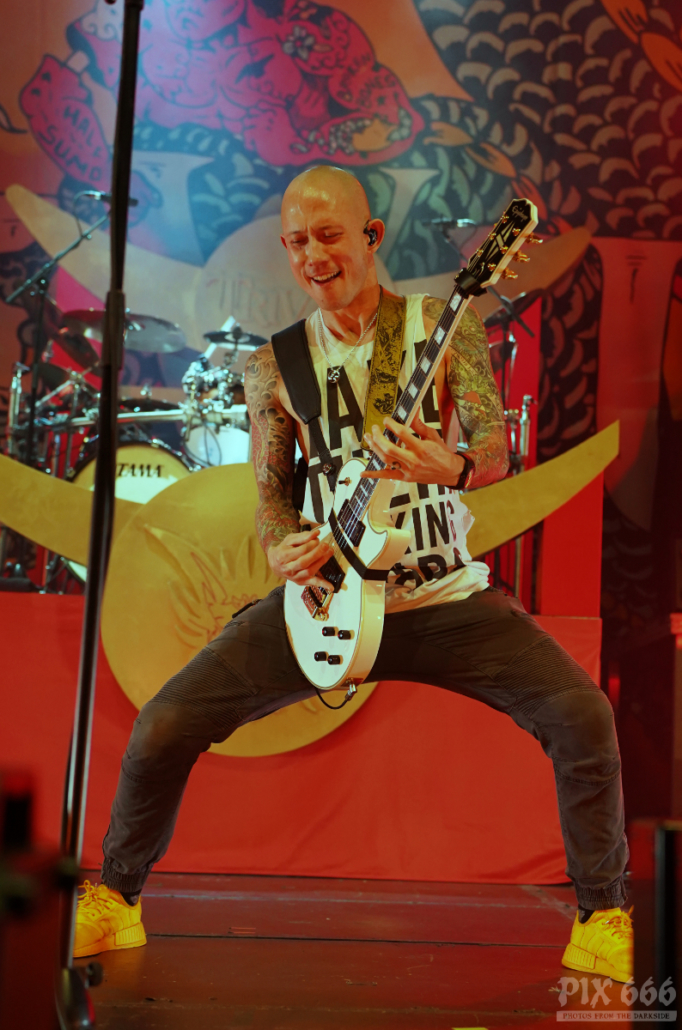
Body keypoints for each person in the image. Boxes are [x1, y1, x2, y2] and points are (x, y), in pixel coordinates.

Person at [74, 165, 633, 983]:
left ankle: (602, 916)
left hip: (440, 596)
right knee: (164, 723)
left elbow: (492, 447)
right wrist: (281, 547)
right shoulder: (272, 365)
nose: (314, 256)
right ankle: (116, 899)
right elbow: (272, 496)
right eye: (297, 242)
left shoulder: (439, 324)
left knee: (581, 714)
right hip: (326, 596)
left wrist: (451, 466)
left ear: (371, 237)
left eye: (330, 236)